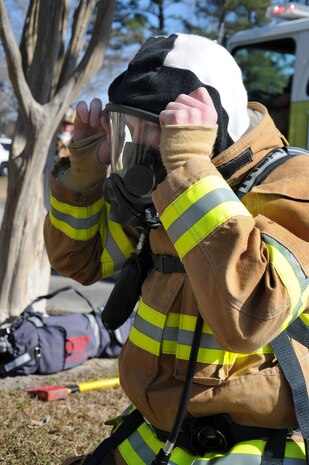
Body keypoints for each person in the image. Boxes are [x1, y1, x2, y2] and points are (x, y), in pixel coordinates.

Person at [44, 33, 309, 465]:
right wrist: (82, 178)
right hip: (157, 431)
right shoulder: (171, 189)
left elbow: (252, 316)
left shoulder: (292, 183)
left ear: (214, 124)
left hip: (255, 442)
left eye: (160, 126)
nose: (147, 143)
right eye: (134, 128)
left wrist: (189, 169)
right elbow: (83, 262)